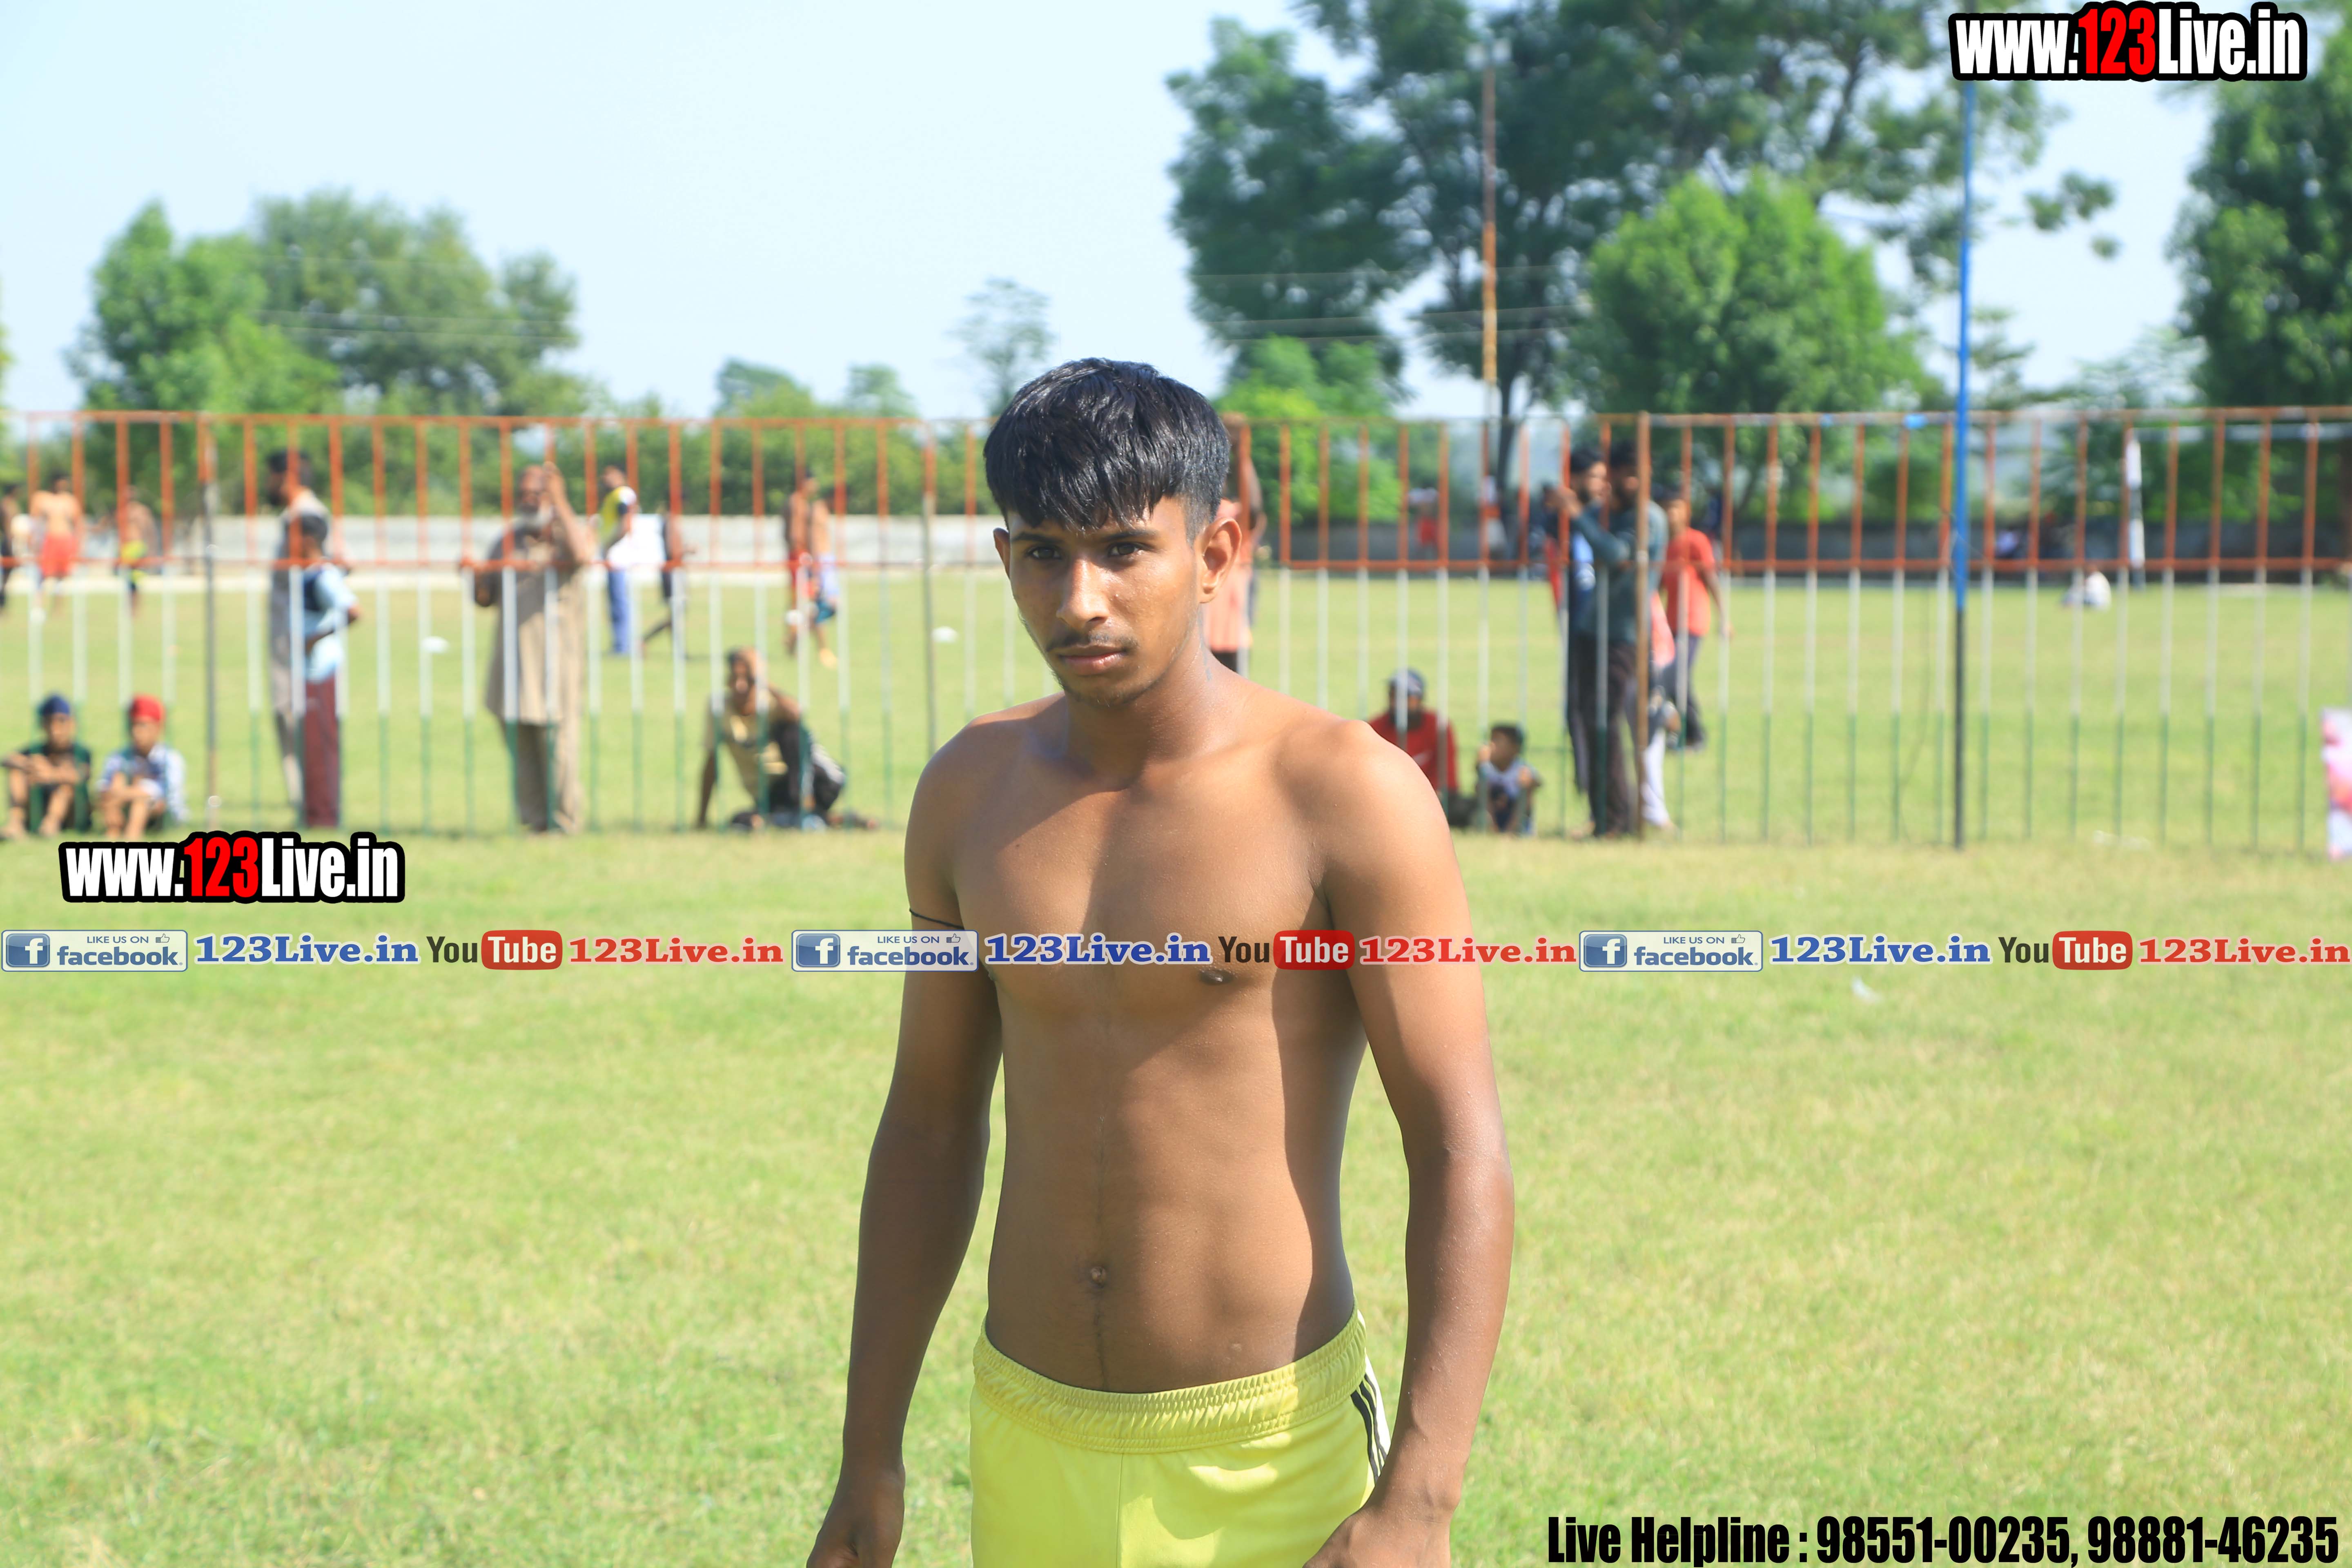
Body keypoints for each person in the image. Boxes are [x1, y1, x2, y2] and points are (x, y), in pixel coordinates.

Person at [805, 360, 1512, 1568]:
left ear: (1216, 550)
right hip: (1029, 1432)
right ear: (1004, 558)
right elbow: (927, 1121)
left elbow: (1459, 1142)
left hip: (1270, 1452)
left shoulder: (1344, 792)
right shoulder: (969, 792)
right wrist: (868, 1453)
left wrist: (1420, 1499)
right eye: (1043, 553)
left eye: (1124, 549)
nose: (1080, 598)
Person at [474, 462, 593, 833]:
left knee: (558, 746)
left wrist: (560, 501)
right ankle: (535, 822)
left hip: (556, 663)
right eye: (522, 493)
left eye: (537, 493)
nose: (528, 500)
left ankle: (564, 822)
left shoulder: (565, 535)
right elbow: (485, 598)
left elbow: (582, 555)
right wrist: (477, 576)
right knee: (520, 743)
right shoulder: (507, 541)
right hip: (512, 661)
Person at [1570, 438, 1665, 838]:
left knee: (1604, 721)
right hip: (1592, 629)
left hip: (1621, 635)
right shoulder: (1613, 511)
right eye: (1623, 474)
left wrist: (1578, 516)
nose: (1629, 482)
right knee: (1590, 722)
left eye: (1634, 475)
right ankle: (1603, 816)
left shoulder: (1648, 518)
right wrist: (1581, 503)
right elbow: (1590, 522)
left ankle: (1617, 819)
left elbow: (1616, 555)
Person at [695, 647, 864, 830]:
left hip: (819, 780)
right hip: (772, 792)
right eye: (735, 678)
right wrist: (701, 818)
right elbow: (711, 763)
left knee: (793, 731)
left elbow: (797, 714)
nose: (740, 686)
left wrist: (762, 680)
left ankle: (805, 805)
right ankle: (826, 819)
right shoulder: (720, 709)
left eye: (749, 680)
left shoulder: (770, 703)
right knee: (742, 821)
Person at [265, 451, 339, 823]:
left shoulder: (308, 518)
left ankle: (314, 803)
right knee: (290, 715)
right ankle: (306, 802)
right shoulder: (293, 517)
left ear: (287, 477)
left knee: (302, 718)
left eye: (271, 476)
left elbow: (331, 576)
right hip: (289, 639)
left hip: (303, 643)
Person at [286, 511, 358, 828]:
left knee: (321, 746)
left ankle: (324, 817)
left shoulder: (323, 576)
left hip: (321, 671)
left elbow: (353, 611)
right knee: (310, 746)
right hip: (308, 672)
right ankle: (312, 814)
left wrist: (314, 640)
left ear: (307, 540)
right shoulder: (307, 574)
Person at [1656, 480, 1728, 750]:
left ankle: (1693, 733)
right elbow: (1658, 588)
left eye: (1676, 508)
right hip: (1670, 623)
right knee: (1672, 679)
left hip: (1693, 621)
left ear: (1686, 510)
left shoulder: (1696, 541)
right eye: (1667, 508)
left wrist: (1724, 618)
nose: (1671, 514)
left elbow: (1711, 578)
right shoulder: (1662, 545)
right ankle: (1685, 732)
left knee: (1676, 677)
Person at [1559, 446, 1605, 806]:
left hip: (1610, 627)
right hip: (1578, 625)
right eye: (1594, 477)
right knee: (1576, 705)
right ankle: (1587, 783)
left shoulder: (1605, 518)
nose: (1601, 484)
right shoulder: (1562, 521)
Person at [1368, 668, 1470, 826]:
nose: (1396, 703)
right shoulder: (1374, 728)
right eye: (1393, 696)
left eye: (1404, 697)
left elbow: (1446, 779)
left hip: (1432, 799)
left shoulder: (1438, 727)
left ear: (1419, 699)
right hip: (1386, 799)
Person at [95, 694, 188, 839]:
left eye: (143, 726)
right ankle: (113, 834)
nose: (136, 732)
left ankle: (132, 837)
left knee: (140, 802)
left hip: (162, 814)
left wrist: (122, 793)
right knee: (118, 780)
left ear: (158, 728)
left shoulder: (170, 759)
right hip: (125, 805)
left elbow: (161, 792)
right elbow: (103, 788)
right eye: (133, 725)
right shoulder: (119, 757)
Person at [3, 695, 92, 840]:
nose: (55, 729)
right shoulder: (37, 750)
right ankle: (16, 823)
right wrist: (29, 765)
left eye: (61, 722)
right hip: (39, 805)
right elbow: (7, 760)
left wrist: (51, 774)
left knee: (66, 784)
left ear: (71, 723)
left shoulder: (80, 752)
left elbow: (82, 775)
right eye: (50, 723)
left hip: (71, 813)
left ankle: (51, 824)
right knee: (16, 773)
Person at [786, 472, 839, 668]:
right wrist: (807, 561)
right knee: (818, 606)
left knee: (811, 606)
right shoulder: (799, 503)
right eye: (813, 482)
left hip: (806, 560)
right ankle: (813, 647)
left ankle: (798, 643)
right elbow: (795, 535)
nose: (815, 486)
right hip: (805, 560)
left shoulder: (804, 504)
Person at [597, 463, 638, 656]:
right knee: (616, 601)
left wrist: (609, 545)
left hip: (618, 557)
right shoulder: (613, 496)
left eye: (610, 474)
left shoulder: (622, 494)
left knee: (619, 602)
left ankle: (623, 646)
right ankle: (621, 644)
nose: (606, 478)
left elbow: (626, 523)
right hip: (614, 556)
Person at [640, 501, 693, 649]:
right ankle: (646, 641)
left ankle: (647, 641)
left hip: (672, 572)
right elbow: (673, 551)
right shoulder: (671, 521)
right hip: (673, 572)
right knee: (676, 614)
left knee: (676, 615)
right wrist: (688, 550)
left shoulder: (668, 519)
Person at [1474, 722, 1540, 835]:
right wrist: (1479, 763)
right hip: (1495, 811)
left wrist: (1529, 782)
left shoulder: (1520, 768)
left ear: (1514, 749)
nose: (1491, 745)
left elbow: (1537, 782)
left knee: (1526, 792)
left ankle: (1513, 830)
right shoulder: (1488, 767)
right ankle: (1491, 827)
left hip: (1513, 810)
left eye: (1497, 741)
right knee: (1481, 786)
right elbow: (1479, 778)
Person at [33, 475, 84, 617]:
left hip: (66, 539)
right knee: (44, 574)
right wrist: (34, 541)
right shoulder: (42, 498)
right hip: (49, 539)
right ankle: (39, 606)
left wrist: (79, 544)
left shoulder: (70, 500)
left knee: (62, 576)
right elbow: (35, 522)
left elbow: (78, 523)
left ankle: (58, 610)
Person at [116, 486, 156, 618]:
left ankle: (135, 611)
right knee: (128, 582)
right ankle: (130, 610)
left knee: (135, 582)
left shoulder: (141, 511)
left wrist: (151, 550)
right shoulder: (121, 511)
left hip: (137, 547)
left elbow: (150, 530)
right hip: (126, 548)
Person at [1, 484, 25, 615]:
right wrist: (12, 549)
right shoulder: (7, 506)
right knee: (5, 577)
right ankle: (2, 604)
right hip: (8, 543)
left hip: (10, 542)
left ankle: (3, 604)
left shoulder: (11, 505)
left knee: (6, 578)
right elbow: (8, 529)